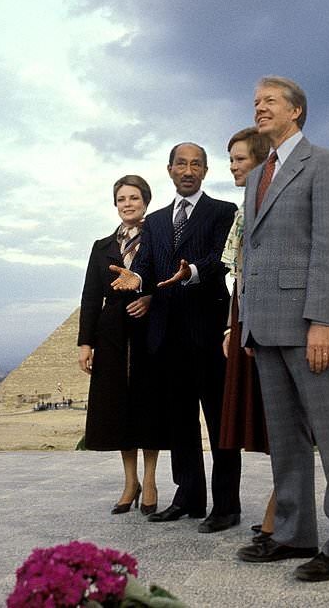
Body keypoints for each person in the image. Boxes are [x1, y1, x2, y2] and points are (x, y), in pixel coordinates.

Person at [236, 76, 329, 582]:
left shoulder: (326, 162)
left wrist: (322, 322)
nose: (259, 108)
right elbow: (255, 254)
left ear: (297, 111)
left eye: (269, 101)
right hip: (265, 329)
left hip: (309, 325)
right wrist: (248, 325)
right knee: (286, 443)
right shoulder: (257, 175)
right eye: (255, 102)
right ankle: (294, 534)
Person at [110, 143, 242, 534]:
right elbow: (148, 267)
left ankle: (227, 505)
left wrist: (192, 273)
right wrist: (138, 280)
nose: (188, 170)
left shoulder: (223, 212)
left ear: (205, 170)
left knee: (220, 423)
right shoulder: (155, 221)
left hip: (208, 332)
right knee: (180, 423)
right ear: (169, 170)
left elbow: (222, 259)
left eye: (195, 164)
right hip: (166, 337)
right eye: (181, 164)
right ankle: (189, 497)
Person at [77, 175, 162, 516]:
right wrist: (85, 342)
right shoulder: (101, 246)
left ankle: (152, 480)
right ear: (115, 204)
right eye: (121, 199)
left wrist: (151, 299)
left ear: (146, 201)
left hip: (149, 329)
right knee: (120, 407)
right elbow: (89, 296)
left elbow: (171, 280)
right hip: (111, 332)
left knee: (149, 404)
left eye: (134, 197)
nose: (127, 203)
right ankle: (130, 482)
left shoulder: (160, 240)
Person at [218, 127, 278, 543]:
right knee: (263, 412)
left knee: (279, 416)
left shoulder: (268, 205)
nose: (233, 166)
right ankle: (282, 502)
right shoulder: (243, 210)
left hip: (269, 317)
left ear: (259, 160)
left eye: (239, 159)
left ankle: (281, 504)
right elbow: (237, 276)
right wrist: (231, 324)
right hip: (245, 316)